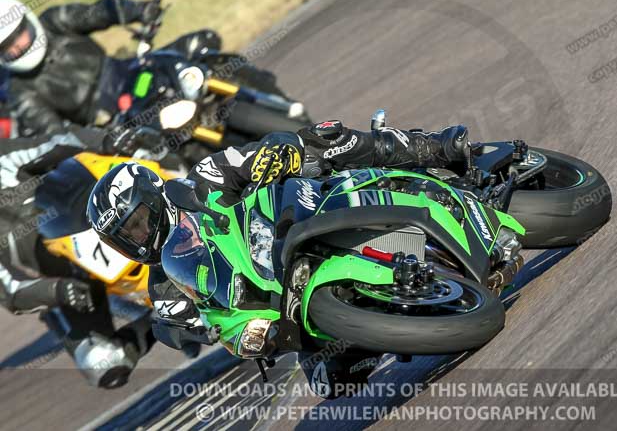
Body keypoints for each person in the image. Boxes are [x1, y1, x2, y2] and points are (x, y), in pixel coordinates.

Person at [86, 121, 469, 390]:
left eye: (136, 222)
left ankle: (432, 147)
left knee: (324, 138)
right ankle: (394, 312)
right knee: (333, 381)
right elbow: (200, 329)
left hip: (298, 217)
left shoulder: (204, 179)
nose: (137, 237)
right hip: (282, 304)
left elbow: (264, 151)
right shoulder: (164, 287)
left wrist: (275, 154)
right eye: (124, 237)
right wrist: (196, 329)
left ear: (153, 199)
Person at [0, 126, 168, 388]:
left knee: (146, 147)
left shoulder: (3, 158)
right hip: (73, 277)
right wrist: (59, 290)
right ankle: (164, 319)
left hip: (94, 212)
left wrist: (107, 139)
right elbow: (12, 293)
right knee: (103, 365)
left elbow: (56, 140)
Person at [0, 0, 222, 136]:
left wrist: (138, 10)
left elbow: (97, 13)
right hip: (111, 122)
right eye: (7, 47)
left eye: (19, 34)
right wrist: (97, 141)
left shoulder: (54, 21)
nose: (18, 46)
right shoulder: (19, 90)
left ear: (28, 20)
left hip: (132, 71)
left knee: (203, 42)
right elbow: (55, 135)